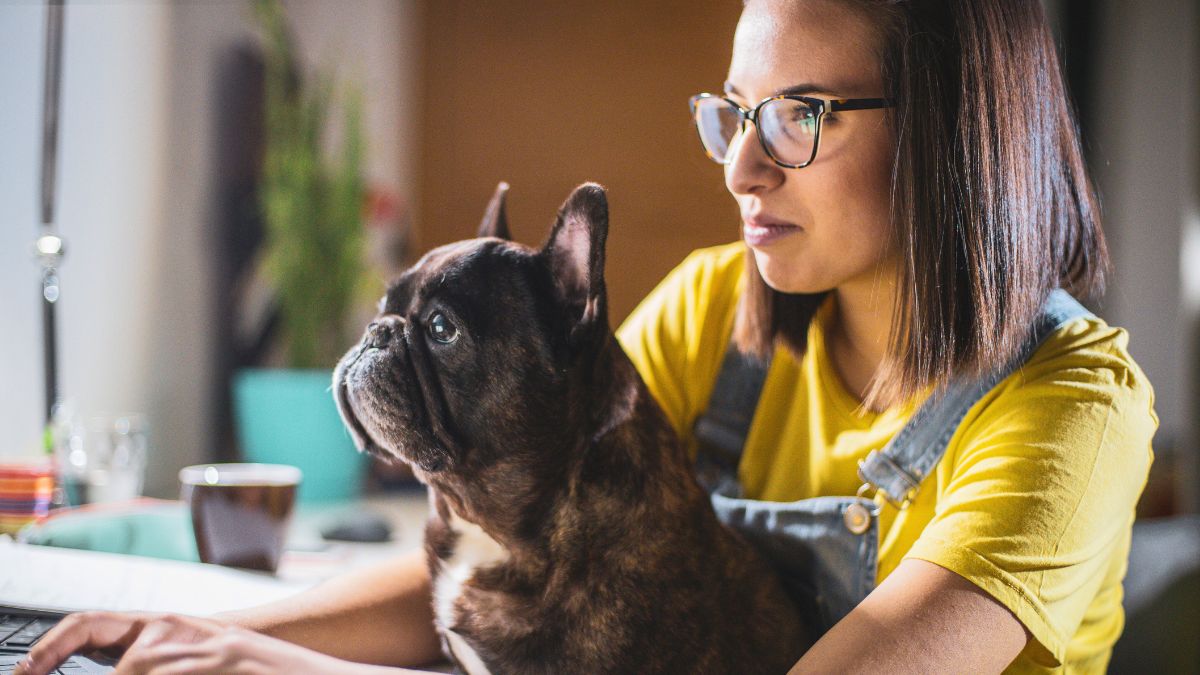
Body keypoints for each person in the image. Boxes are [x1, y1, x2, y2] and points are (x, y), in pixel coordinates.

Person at [18, 0, 1157, 673]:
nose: (741, 167)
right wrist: (213, 638)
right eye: (735, 114)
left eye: (800, 117)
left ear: (960, 130)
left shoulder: (1069, 411)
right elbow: (499, 559)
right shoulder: (723, 305)